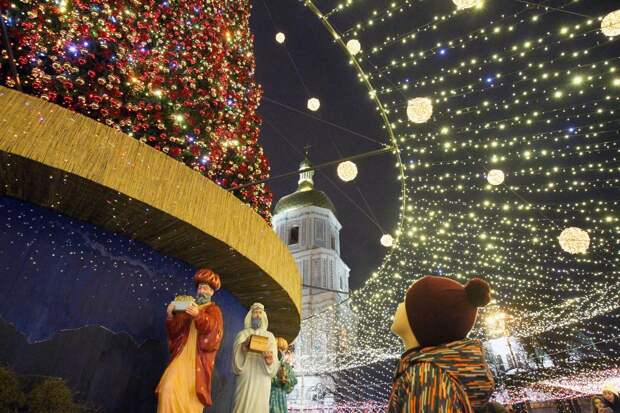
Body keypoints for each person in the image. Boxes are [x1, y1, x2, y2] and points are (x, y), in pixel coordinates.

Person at [387, 275, 494, 413]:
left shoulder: (426, 377)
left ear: (425, 318)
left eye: (406, 301)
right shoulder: (433, 371)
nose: (399, 305)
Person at [155, 268, 224, 413]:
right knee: (167, 388)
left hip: (197, 361)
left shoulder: (214, 310)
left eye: (205, 288)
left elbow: (214, 332)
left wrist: (198, 315)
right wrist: (171, 315)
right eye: (200, 287)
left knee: (189, 399)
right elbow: (175, 332)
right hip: (181, 355)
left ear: (212, 292)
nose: (201, 291)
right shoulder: (188, 306)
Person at [232, 303, 279, 413]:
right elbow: (236, 359)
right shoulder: (242, 334)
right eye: (255, 313)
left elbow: (274, 363)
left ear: (263, 316)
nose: (257, 315)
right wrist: (244, 346)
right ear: (250, 315)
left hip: (262, 376)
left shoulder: (270, 336)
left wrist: (270, 362)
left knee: (260, 405)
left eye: (259, 313)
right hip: (246, 375)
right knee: (241, 404)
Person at [269, 337, 297, 413]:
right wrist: (277, 380)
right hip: (268, 397)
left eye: (282, 350)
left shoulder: (285, 366)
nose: (280, 352)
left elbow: (290, 385)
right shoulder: (267, 364)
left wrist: (285, 381)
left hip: (280, 400)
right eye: (277, 349)